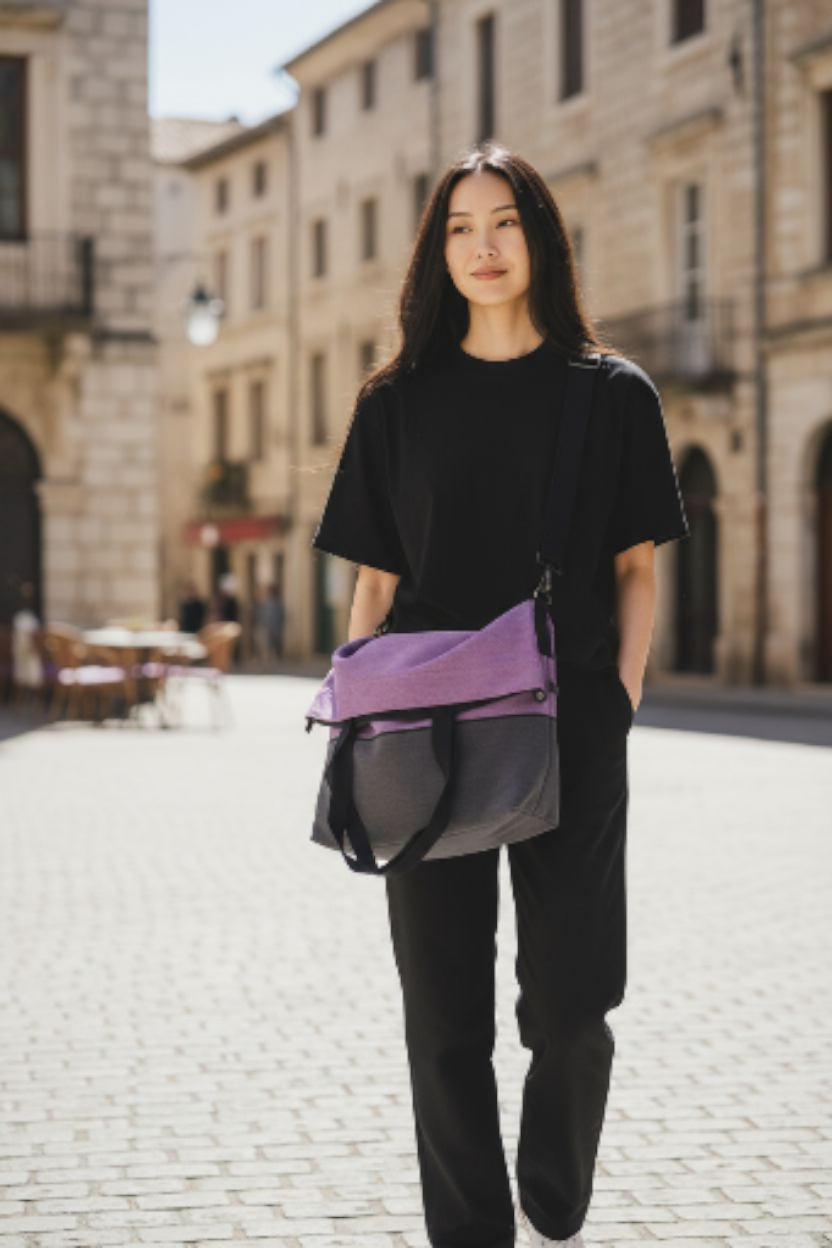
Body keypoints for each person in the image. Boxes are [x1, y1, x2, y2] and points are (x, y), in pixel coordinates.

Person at [310, 142, 690, 1248]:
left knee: (572, 1006)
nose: (483, 245)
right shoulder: (395, 403)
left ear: (540, 238)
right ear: (437, 251)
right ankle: (468, 1233)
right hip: (421, 736)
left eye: (505, 221)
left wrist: (615, 704)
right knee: (443, 1022)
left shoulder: (610, 395)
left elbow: (635, 570)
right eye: (461, 227)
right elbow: (372, 586)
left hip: (570, 729)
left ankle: (554, 1176)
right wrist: (363, 718)